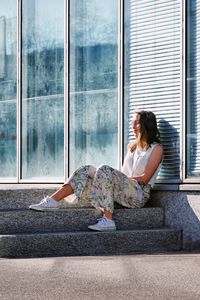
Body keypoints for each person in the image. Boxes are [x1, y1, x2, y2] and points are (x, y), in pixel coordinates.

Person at [29, 110, 163, 232]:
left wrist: (113, 177)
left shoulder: (156, 149)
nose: (132, 126)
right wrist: (110, 178)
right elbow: (123, 174)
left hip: (138, 194)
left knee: (104, 169)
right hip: (123, 189)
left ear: (147, 125)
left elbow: (145, 179)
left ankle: (108, 220)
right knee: (87, 170)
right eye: (132, 122)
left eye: (136, 123)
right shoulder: (132, 146)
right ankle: (53, 201)